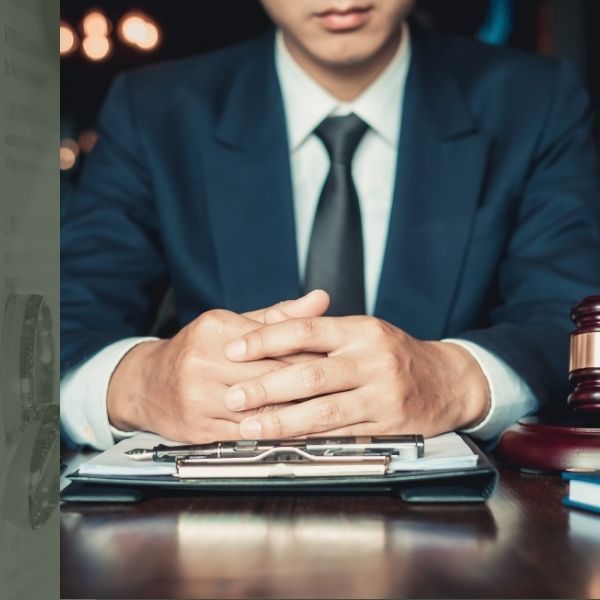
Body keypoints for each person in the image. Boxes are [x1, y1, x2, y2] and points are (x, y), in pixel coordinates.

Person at [61, 0, 600, 450]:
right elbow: (56, 323)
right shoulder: (154, 110)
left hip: (466, 527)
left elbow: (571, 322)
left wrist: (455, 380)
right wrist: (139, 384)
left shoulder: (536, 100)